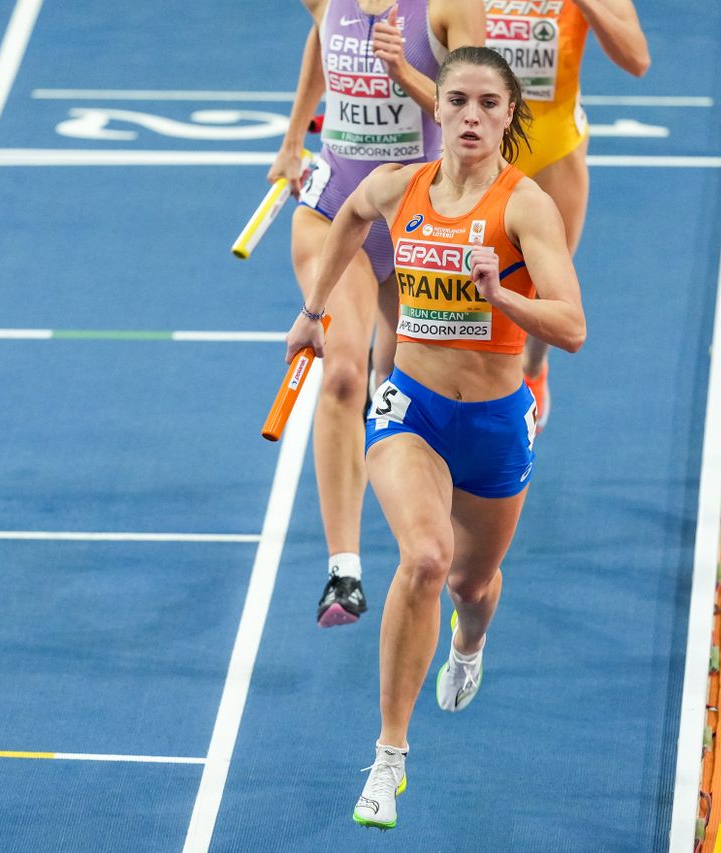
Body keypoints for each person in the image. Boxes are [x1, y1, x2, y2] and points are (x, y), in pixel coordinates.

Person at [283, 46, 586, 830]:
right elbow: (344, 217)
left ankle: (470, 643)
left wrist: (501, 295)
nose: (473, 116)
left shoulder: (525, 208)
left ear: (509, 115)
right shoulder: (398, 186)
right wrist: (316, 311)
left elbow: (574, 326)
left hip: (492, 422)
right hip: (411, 409)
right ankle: (389, 757)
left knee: (471, 587)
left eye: (490, 103)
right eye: (458, 101)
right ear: (438, 108)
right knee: (424, 557)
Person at [268, 0, 486, 628]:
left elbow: (480, 113)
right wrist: (291, 140)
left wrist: (405, 74)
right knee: (341, 373)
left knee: (409, 391)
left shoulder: (449, 9)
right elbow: (320, 35)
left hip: (416, 219)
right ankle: (345, 571)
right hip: (334, 208)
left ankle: (445, 545)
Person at [485, 0, 649, 430]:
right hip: (482, 145)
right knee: (470, 282)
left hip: (555, 148)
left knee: (549, 287)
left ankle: (534, 366)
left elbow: (637, 59)